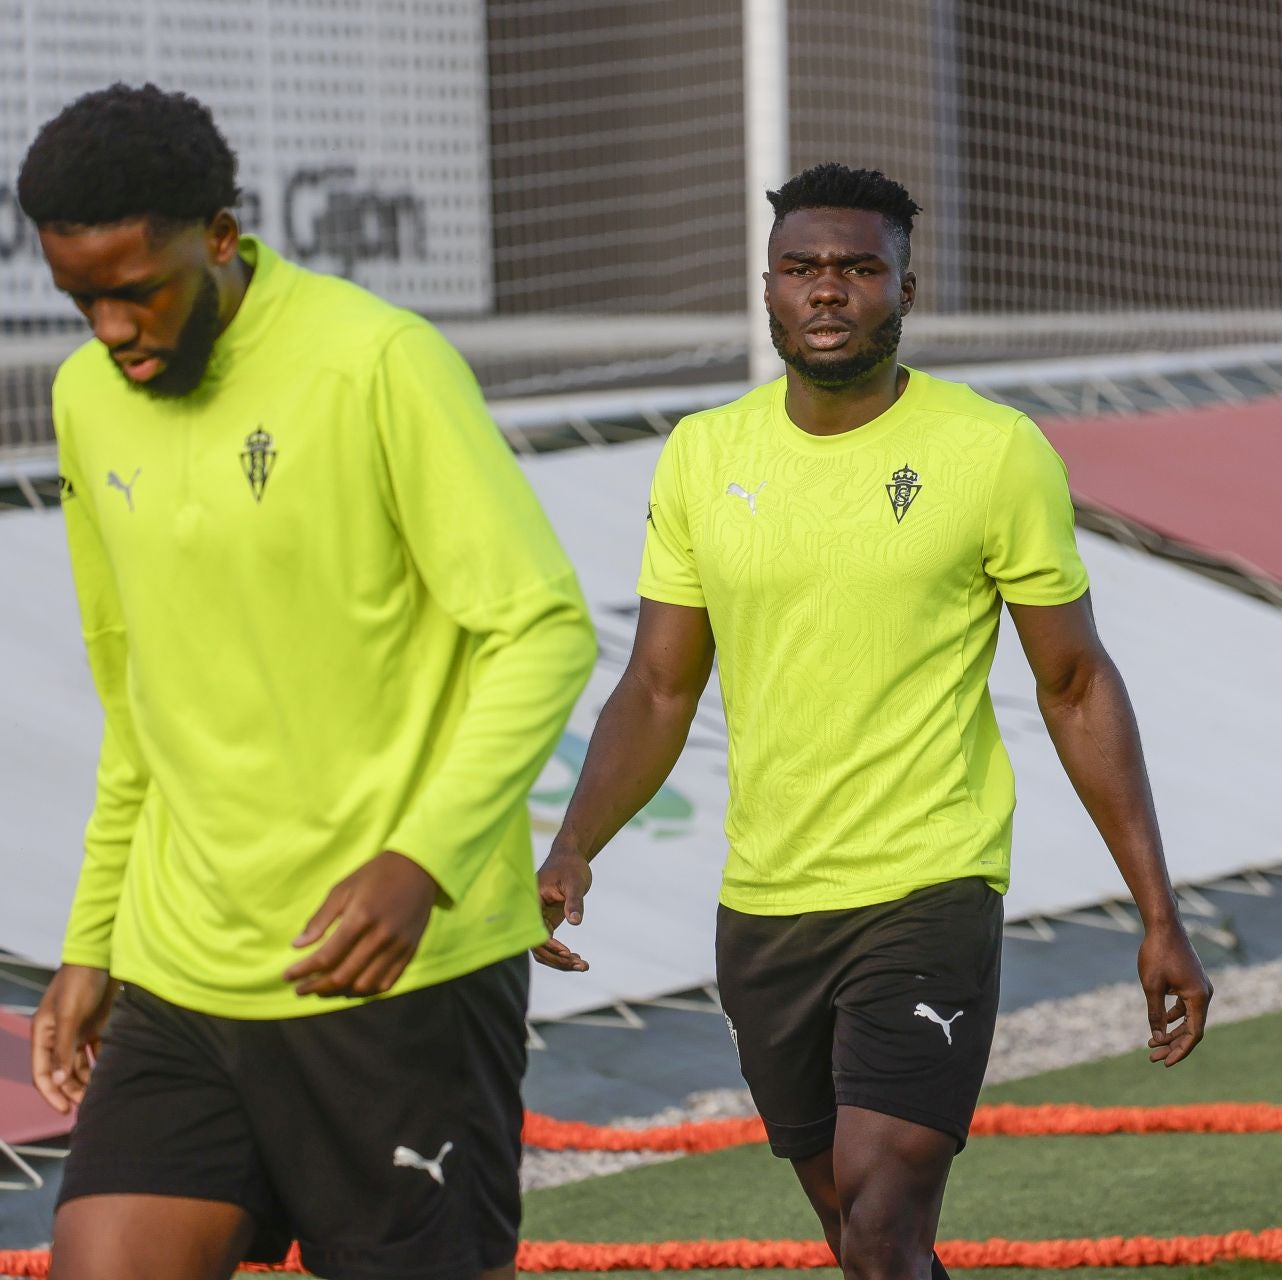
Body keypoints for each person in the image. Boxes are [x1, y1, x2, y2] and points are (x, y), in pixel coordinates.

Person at [533, 163, 1212, 1280]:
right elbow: (659, 686)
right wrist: (575, 842)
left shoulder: (992, 451)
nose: (829, 290)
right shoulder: (705, 455)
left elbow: (1076, 681)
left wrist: (1157, 909)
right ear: (767, 289)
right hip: (766, 902)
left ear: (908, 286)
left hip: (928, 887)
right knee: (858, 1233)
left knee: (886, 1215)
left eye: (858, 267)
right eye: (803, 268)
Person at [19, 83, 597, 1280]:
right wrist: (93, 941)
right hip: (186, 966)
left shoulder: (378, 362)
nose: (112, 328)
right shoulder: (85, 400)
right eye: (83, 301)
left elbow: (540, 627)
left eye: (139, 290)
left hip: (398, 971)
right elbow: (140, 699)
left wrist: (421, 860)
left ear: (221, 238)